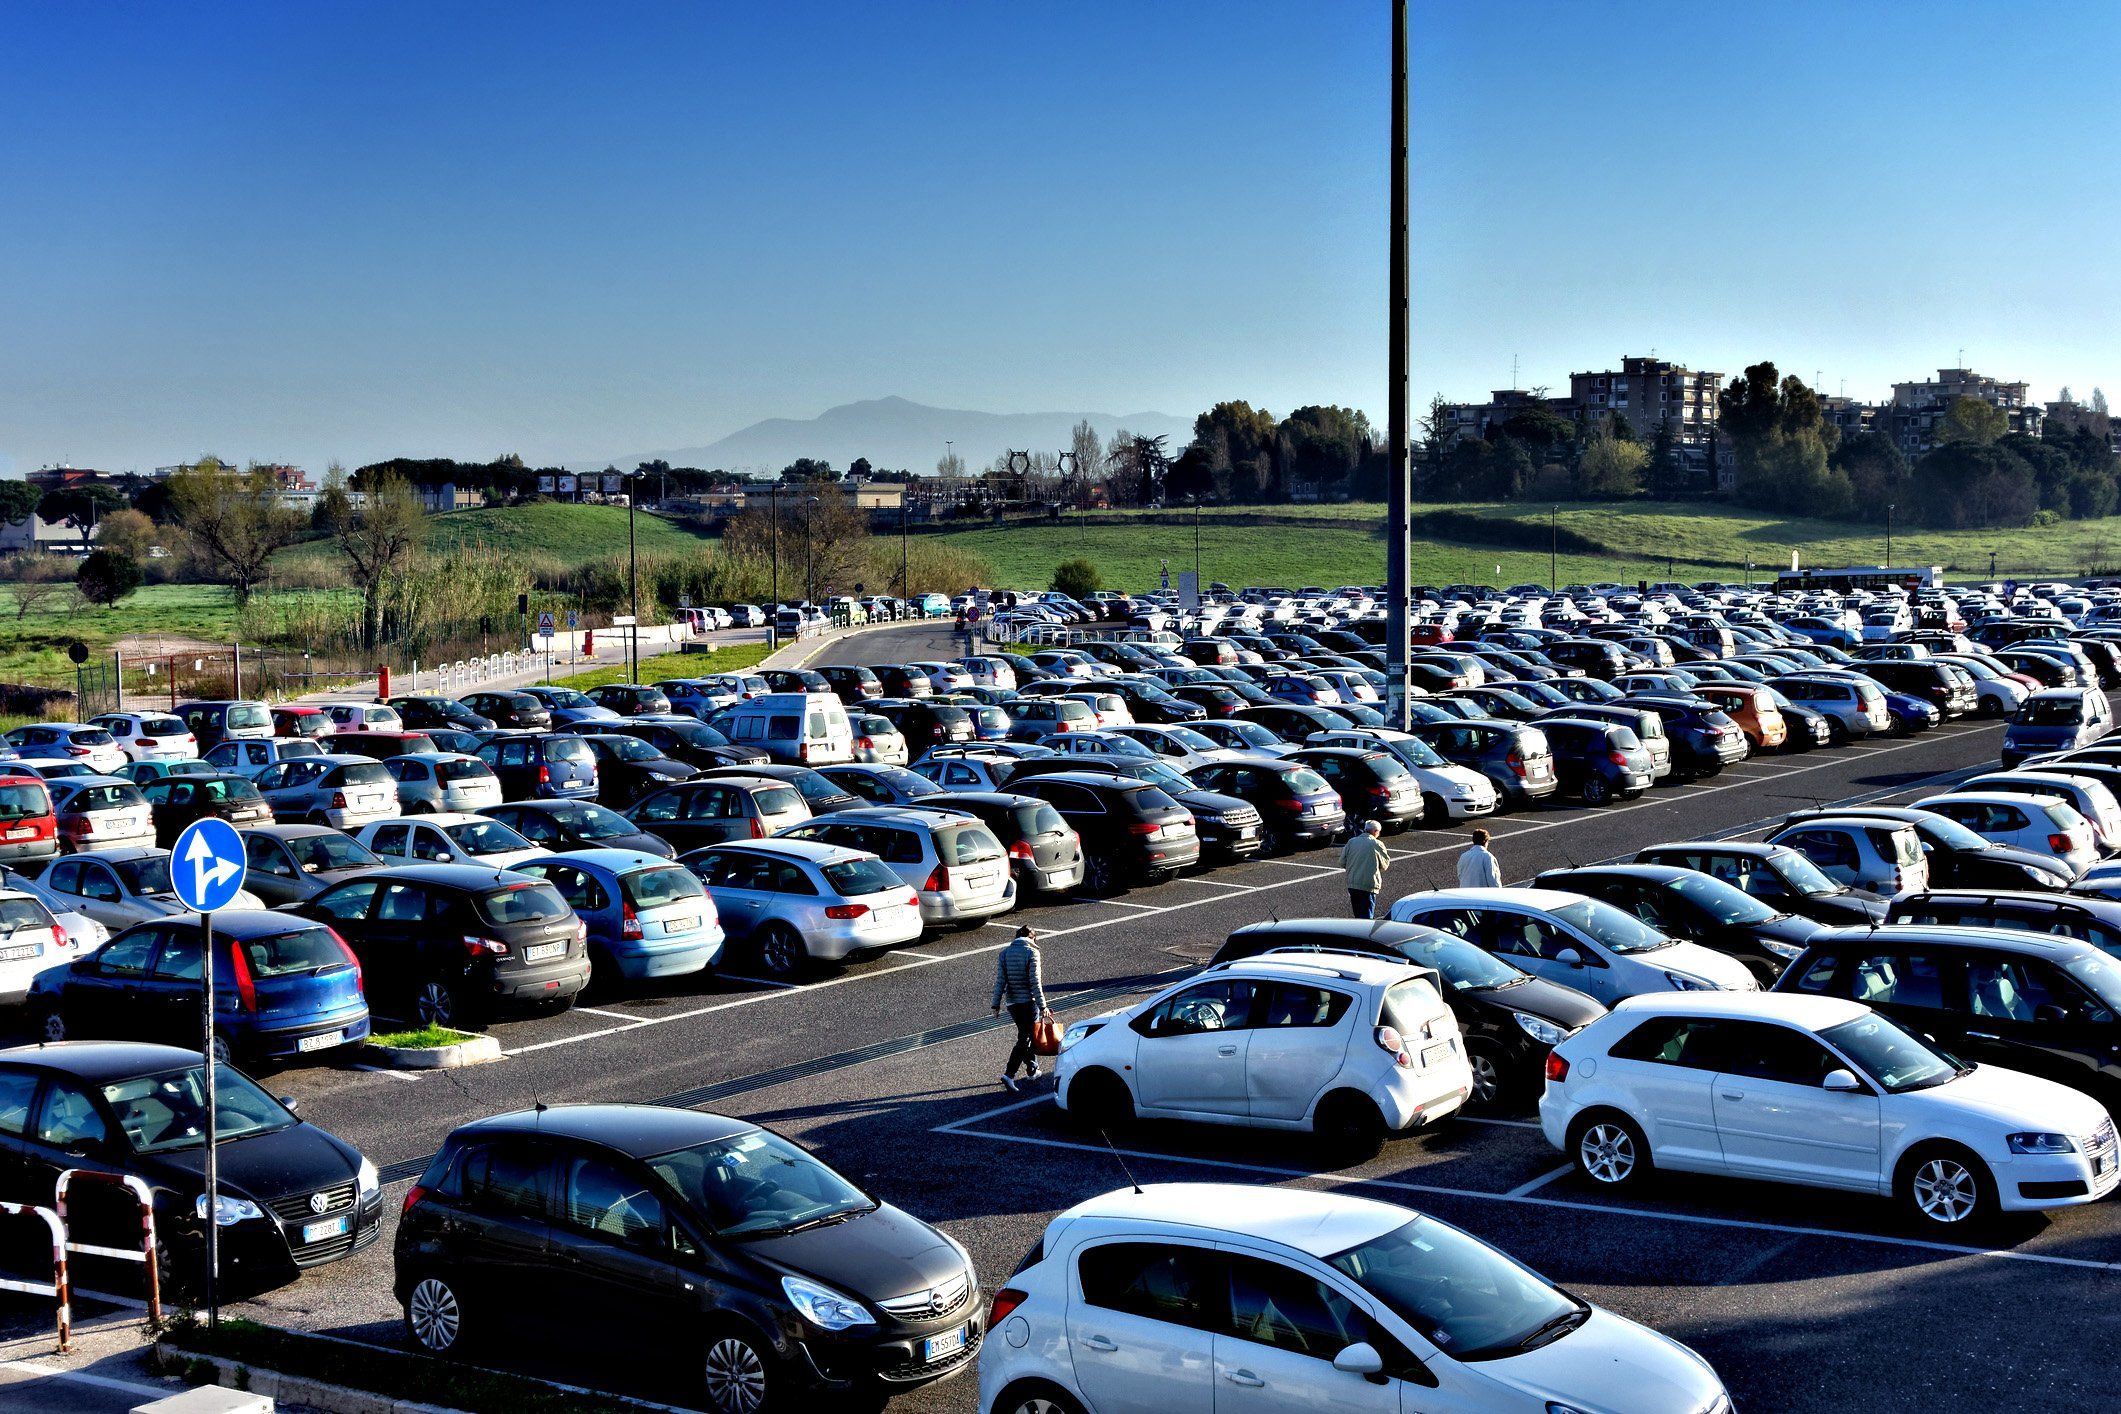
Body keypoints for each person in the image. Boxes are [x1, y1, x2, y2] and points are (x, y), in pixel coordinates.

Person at [991, 925, 1050, 1092]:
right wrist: (1042, 1005)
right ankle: (1009, 1074)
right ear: (1032, 938)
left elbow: (1000, 981)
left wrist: (996, 1004)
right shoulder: (1032, 953)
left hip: (1013, 1004)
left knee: (1026, 1035)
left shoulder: (1004, 954)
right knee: (1025, 1039)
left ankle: (1032, 1068)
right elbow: (1035, 982)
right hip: (1029, 1003)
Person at [1340, 818, 1390, 918]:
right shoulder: (1377, 844)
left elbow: (1342, 862)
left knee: (1357, 915)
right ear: (1375, 832)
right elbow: (1384, 865)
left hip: (1353, 884)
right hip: (1368, 885)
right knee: (1367, 916)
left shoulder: (1352, 842)